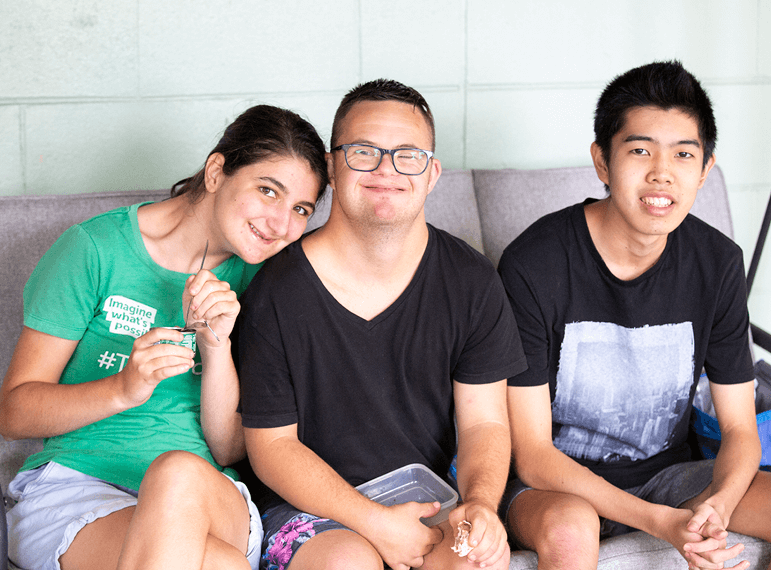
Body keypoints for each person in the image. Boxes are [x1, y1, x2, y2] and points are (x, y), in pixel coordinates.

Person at [0, 104, 329, 570]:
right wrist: (122, 388)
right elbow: (13, 413)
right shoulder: (94, 250)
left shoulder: (268, 282)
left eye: (300, 209)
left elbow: (232, 449)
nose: (281, 224)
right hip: (77, 491)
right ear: (217, 171)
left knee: (175, 473)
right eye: (267, 190)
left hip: (210, 497)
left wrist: (216, 349)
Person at [498, 60, 771, 570]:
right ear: (602, 162)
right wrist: (659, 522)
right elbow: (532, 453)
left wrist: (717, 507)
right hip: (553, 484)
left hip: (668, 475)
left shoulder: (717, 263)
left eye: (683, 154)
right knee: (571, 530)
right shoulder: (536, 262)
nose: (661, 172)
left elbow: (741, 431)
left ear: (705, 169)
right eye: (640, 150)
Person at [236, 79, 527, 570]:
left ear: (432, 172)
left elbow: (485, 422)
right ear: (331, 165)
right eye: (364, 152)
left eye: (407, 155)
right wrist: (373, 523)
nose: (386, 169)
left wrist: (479, 503)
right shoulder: (276, 290)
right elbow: (271, 447)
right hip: (310, 513)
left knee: (475, 561)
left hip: (425, 498)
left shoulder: (471, 280)